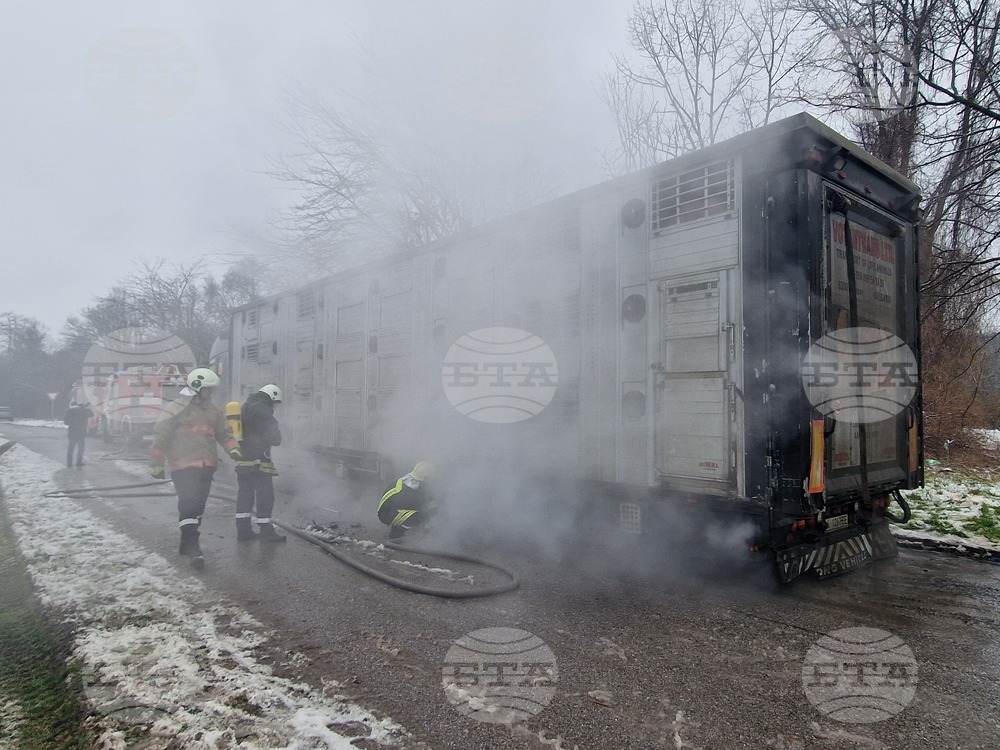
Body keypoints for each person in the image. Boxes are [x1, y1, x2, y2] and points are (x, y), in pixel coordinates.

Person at [149, 367, 241, 570]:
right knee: (189, 504)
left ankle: (185, 541)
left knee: (198, 506)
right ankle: (193, 546)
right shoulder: (175, 408)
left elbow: (225, 434)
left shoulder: (213, 410)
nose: (211, 393)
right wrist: (156, 465)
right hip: (182, 465)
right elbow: (160, 437)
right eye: (209, 389)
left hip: (206, 465)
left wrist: (233, 450)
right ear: (197, 387)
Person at [234, 384, 286, 542]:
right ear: (271, 398)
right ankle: (266, 531)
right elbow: (274, 439)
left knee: (245, 494)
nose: (274, 407)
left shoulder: (246, 406)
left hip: (243, 460)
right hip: (259, 461)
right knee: (265, 495)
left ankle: (243, 531)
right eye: (275, 403)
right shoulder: (264, 411)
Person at [377, 461, 435, 540]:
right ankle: (396, 534)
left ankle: (398, 525)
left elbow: (429, 501)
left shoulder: (409, 481)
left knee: (420, 514)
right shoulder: (411, 491)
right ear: (426, 478)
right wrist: (428, 530)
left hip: (390, 509)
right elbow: (423, 506)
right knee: (420, 517)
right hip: (385, 514)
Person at [63, 401, 94, 467]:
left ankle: (69, 463)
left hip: (72, 432)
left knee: (71, 448)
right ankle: (79, 462)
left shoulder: (69, 411)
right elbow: (91, 414)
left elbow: (66, 422)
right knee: (81, 448)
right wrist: (87, 408)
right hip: (81, 432)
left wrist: (72, 422)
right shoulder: (83, 410)